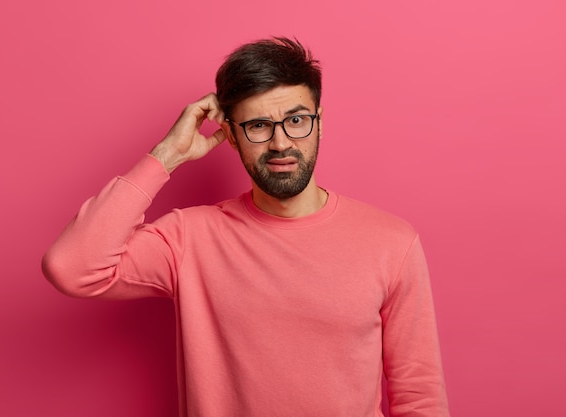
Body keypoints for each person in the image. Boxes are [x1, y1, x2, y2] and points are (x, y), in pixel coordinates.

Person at [42, 37, 450, 417]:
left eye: (296, 120)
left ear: (320, 121)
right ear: (232, 137)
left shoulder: (391, 242)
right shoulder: (190, 237)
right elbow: (72, 267)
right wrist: (166, 156)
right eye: (257, 126)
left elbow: (419, 395)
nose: (280, 144)